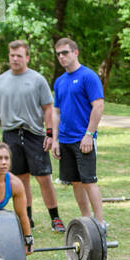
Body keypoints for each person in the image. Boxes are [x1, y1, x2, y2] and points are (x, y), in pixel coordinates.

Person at [0, 40, 62, 232]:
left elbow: (48, 108)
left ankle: (55, 218)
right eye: (12, 56)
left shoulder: (37, 80)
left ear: (27, 57)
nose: (15, 59)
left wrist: (49, 134)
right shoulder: (0, 80)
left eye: (19, 56)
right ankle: (26, 218)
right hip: (11, 134)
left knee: (44, 178)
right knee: (20, 180)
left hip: (34, 134)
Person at [51, 37, 106, 228]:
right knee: (75, 182)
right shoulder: (59, 81)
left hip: (83, 139)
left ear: (75, 52)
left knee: (89, 181)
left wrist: (89, 135)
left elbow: (98, 106)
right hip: (65, 140)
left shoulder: (88, 76)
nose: (61, 57)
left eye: (65, 53)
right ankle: (86, 220)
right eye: (58, 54)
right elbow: (56, 111)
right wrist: (55, 139)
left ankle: (99, 223)